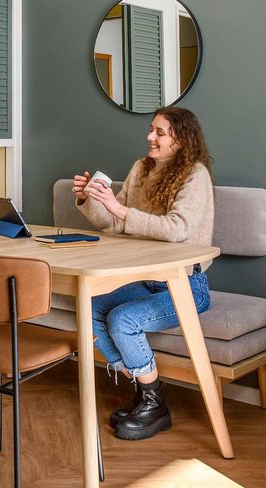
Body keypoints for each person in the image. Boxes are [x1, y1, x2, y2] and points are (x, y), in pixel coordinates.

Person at [73, 106, 214, 441]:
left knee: (123, 319)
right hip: (143, 280)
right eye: (152, 129)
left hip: (185, 284)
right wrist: (89, 199)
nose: (150, 137)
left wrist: (120, 208)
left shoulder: (195, 175)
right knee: (89, 308)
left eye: (160, 133)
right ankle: (148, 393)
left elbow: (178, 228)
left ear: (181, 140)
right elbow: (114, 222)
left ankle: (152, 402)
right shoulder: (141, 168)